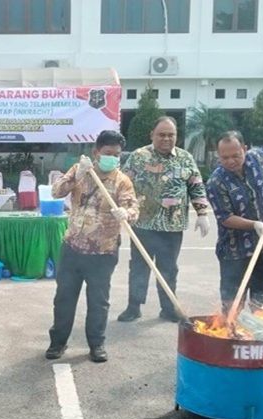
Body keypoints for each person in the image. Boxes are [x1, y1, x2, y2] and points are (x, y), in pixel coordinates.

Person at [47, 130, 138, 363]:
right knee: (64, 298)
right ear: (96, 152)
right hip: (73, 248)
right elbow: (56, 192)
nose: (113, 159)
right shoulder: (81, 171)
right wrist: (76, 174)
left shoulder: (122, 181)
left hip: (103, 252)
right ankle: (58, 343)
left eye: (117, 155)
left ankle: (96, 344)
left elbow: (134, 209)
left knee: (99, 301)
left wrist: (125, 213)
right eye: (108, 153)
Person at [118, 116, 211, 323]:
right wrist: (122, 209)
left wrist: (202, 213)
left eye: (171, 135)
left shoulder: (185, 158)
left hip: (172, 226)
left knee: (169, 268)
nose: (166, 139)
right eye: (161, 134)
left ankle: (168, 308)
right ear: (152, 135)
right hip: (142, 224)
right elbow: (123, 185)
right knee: (139, 267)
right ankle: (134, 307)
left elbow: (196, 186)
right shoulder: (138, 157)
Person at [204, 130, 263, 312]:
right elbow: (225, 218)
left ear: (244, 149)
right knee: (232, 305)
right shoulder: (216, 182)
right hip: (234, 251)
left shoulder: (254, 159)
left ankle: (259, 336)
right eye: (224, 157)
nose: (230, 161)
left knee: (262, 301)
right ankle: (230, 336)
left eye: (235, 155)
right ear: (218, 155)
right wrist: (253, 224)